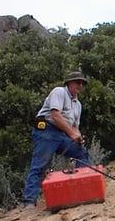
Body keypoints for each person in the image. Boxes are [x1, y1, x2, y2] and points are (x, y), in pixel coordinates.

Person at [22, 71, 90, 208]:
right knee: (40, 165)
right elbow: (55, 115)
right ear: (69, 83)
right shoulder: (59, 92)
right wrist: (72, 134)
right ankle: (29, 201)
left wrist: (78, 138)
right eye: (77, 82)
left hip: (61, 134)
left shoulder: (78, 105)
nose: (80, 85)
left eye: (82, 83)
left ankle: (82, 190)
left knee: (81, 153)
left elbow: (75, 127)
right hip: (46, 131)